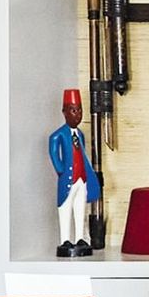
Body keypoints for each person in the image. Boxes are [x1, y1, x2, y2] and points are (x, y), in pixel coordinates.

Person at [48, 88, 101, 257]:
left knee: (80, 209)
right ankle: (65, 239)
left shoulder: (81, 134)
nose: (77, 114)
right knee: (65, 208)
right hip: (68, 180)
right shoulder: (58, 135)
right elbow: (54, 152)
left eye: (79, 110)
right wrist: (61, 169)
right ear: (64, 112)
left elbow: (83, 154)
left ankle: (79, 238)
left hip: (82, 179)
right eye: (73, 110)